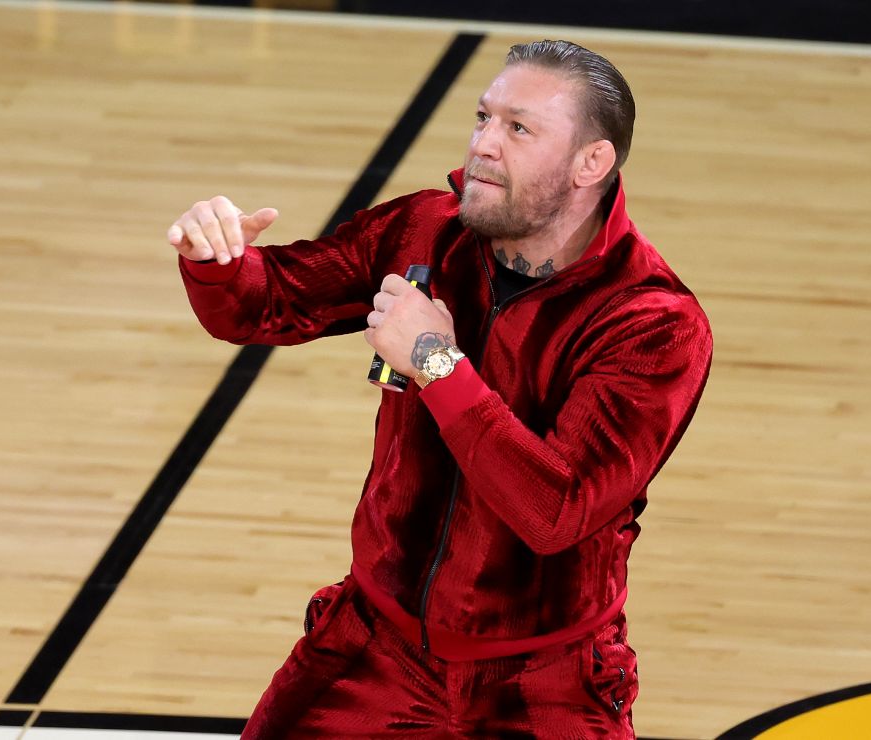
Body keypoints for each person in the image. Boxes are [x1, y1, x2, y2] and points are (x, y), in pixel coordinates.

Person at [168, 39, 712, 739]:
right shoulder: (424, 228)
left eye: (519, 128)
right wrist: (216, 259)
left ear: (592, 163)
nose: (484, 144)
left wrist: (435, 361)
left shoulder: (651, 323)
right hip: (374, 648)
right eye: (483, 117)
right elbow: (259, 304)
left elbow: (556, 512)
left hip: (545, 682)